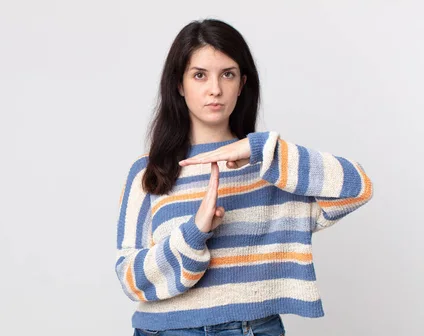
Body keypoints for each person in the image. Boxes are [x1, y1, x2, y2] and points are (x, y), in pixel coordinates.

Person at [114, 18, 374, 336]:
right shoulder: (148, 172)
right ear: (179, 85)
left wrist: (265, 152)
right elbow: (130, 279)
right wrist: (194, 234)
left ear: (242, 83)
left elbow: (357, 187)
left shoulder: (272, 166)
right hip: (164, 331)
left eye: (228, 74)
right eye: (199, 75)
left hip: (250, 329)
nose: (215, 89)